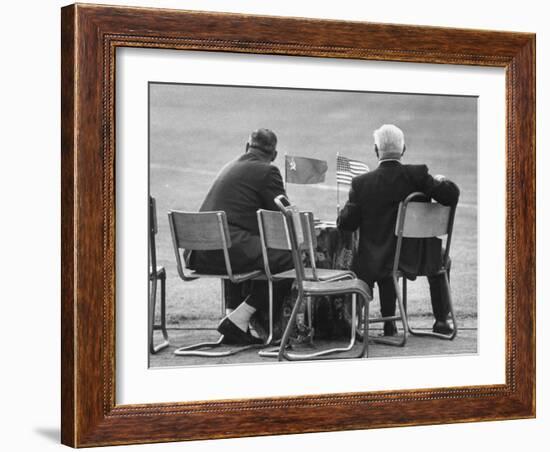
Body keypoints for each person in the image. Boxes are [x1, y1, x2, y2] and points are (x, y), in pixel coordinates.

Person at [337, 124, 460, 336]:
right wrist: (442, 181)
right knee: (442, 259)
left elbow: (347, 224)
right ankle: (441, 320)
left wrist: (345, 210)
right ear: (403, 150)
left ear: (376, 151)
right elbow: (451, 196)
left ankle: (388, 323)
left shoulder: (362, 183)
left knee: (378, 260)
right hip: (419, 257)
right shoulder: (418, 175)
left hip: (379, 260)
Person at [185, 128, 294, 344]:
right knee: (290, 258)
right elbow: (282, 218)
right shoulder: (268, 171)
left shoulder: (231, 166)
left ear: (247, 147)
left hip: (199, 252)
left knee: (244, 250)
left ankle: (232, 320)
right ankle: (238, 318)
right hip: (225, 250)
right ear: (273, 155)